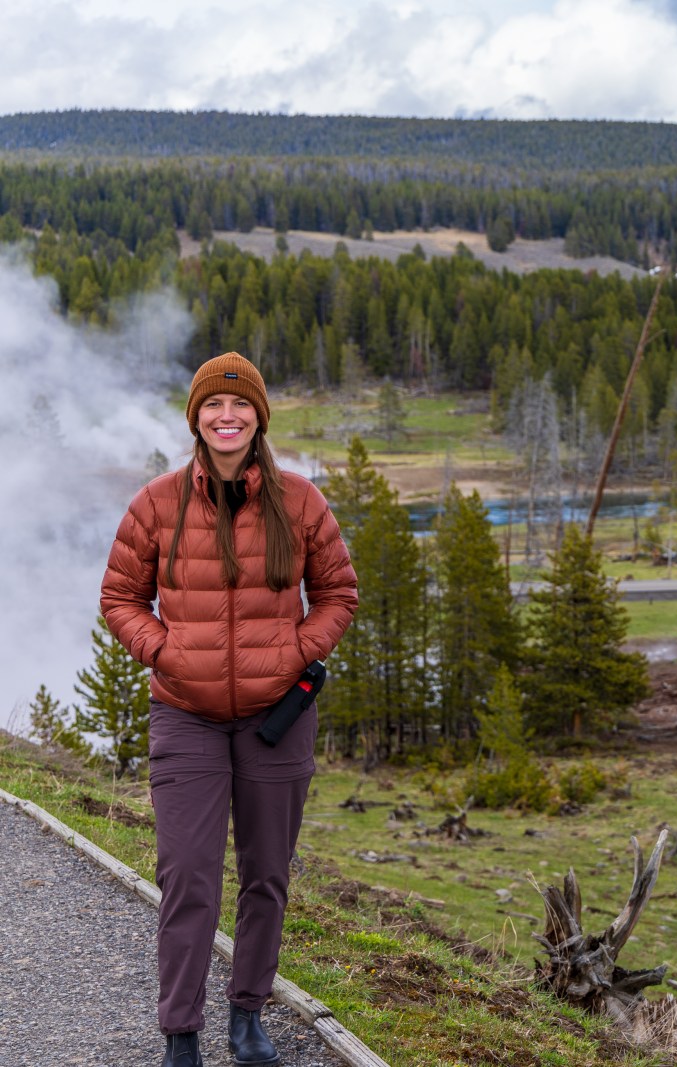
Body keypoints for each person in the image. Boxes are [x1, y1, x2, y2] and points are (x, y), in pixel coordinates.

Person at [101, 353, 358, 1067]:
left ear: (259, 417)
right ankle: (181, 1031)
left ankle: (248, 1014)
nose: (227, 416)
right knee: (187, 872)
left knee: (267, 872)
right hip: (185, 712)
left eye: (240, 406)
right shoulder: (157, 503)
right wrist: (166, 652)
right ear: (196, 417)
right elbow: (121, 596)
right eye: (214, 405)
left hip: (278, 717)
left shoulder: (300, 501)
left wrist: (292, 652)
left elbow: (339, 591)